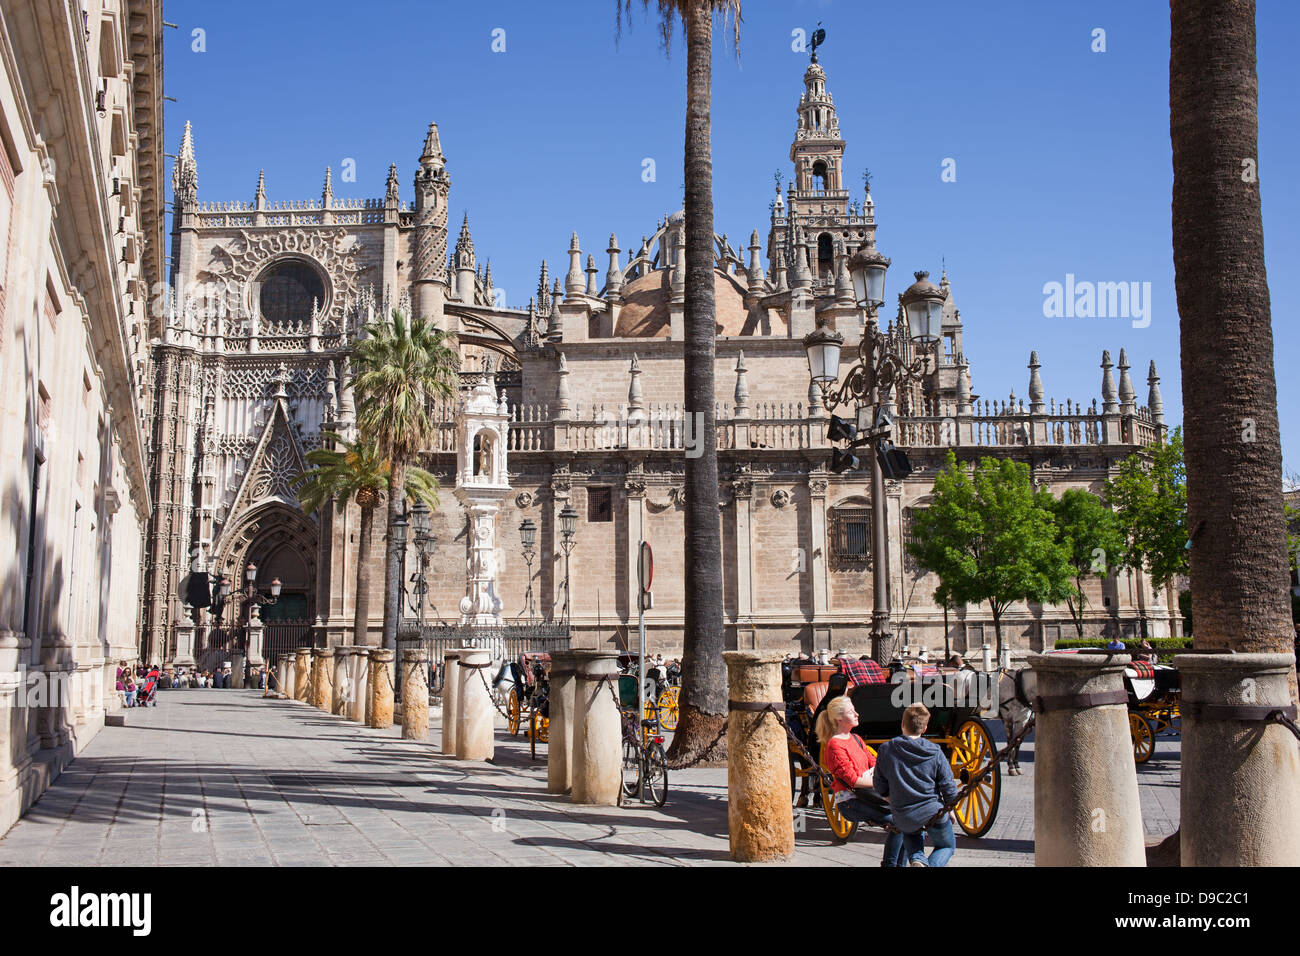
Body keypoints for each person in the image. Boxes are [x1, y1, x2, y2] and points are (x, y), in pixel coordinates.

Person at [816, 696, 906, 867]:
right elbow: (853, 780)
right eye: (851, 711)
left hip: (869, 795)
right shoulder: (835, 745)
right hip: (852, 801)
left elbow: (875, 763)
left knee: (909, 821)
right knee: (899, 823)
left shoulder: (856, 738)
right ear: (839, 718)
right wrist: (879, 781)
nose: (857, 714)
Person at [874, 703, 959, 868]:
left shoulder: (886, 749)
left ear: (902, 724)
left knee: (911, 833)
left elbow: (879, 783)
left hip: (904, 814)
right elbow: (948, 785)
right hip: (932, 811)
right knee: (947, 846)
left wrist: (891, 799)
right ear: (925, 728)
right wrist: (951, 809)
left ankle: (918, 859)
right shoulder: (934, 751)